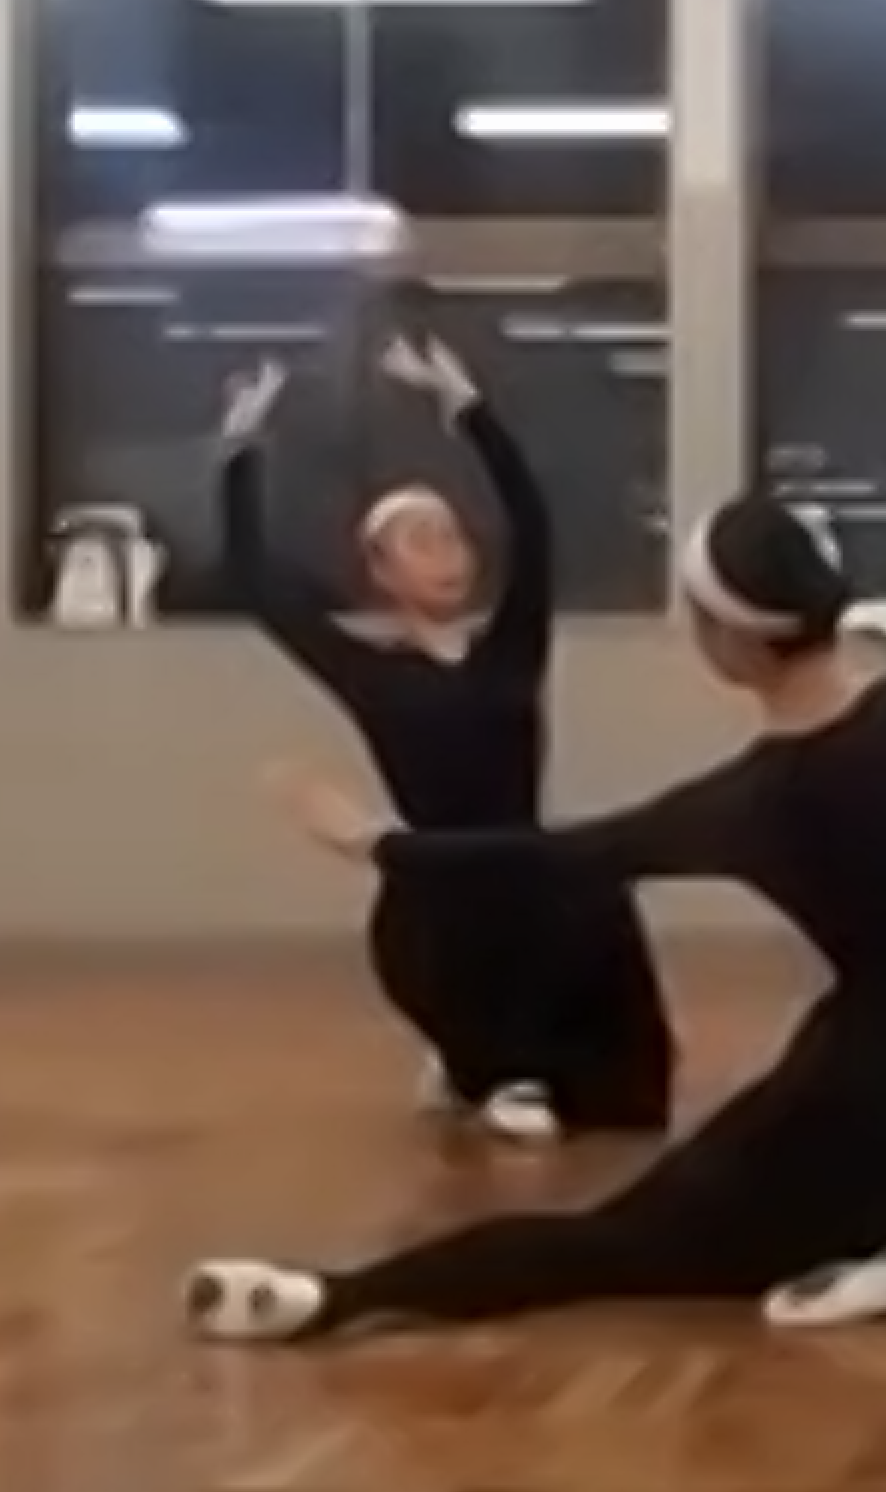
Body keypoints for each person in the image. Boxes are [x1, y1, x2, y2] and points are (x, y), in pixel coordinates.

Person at [181, 493, 886, 1342]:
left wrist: (379, 844)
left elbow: (557, 855)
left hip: (843, 1096)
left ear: (729, 642)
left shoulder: (752, 801)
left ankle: (332, 1296)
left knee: (611, 1244)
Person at [218, 335, 676, 1145]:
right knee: (459, 924)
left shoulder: (512, 647)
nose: (446, 552)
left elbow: (532, 521)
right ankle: (489, 1066)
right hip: (436, 885)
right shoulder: (369, 671)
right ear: (380, 571)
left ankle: (513, 1063)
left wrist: (466, 408)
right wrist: (241, 449)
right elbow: (255, 575)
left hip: (522, 867)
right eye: (420, 540)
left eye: (453, 535)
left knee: (589, 895)